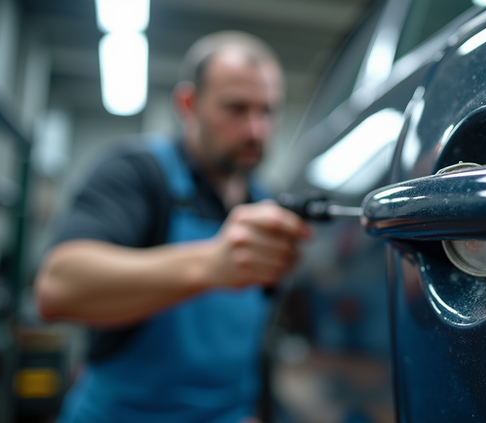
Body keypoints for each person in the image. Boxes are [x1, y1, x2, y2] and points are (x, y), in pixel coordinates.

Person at [33, 31, 311, 422]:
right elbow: (57, 287)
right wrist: (211, 265)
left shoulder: (267, 202)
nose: (255, 130)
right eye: (236, 109)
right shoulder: (138, 174)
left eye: (267, 111)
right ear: (188, 104)